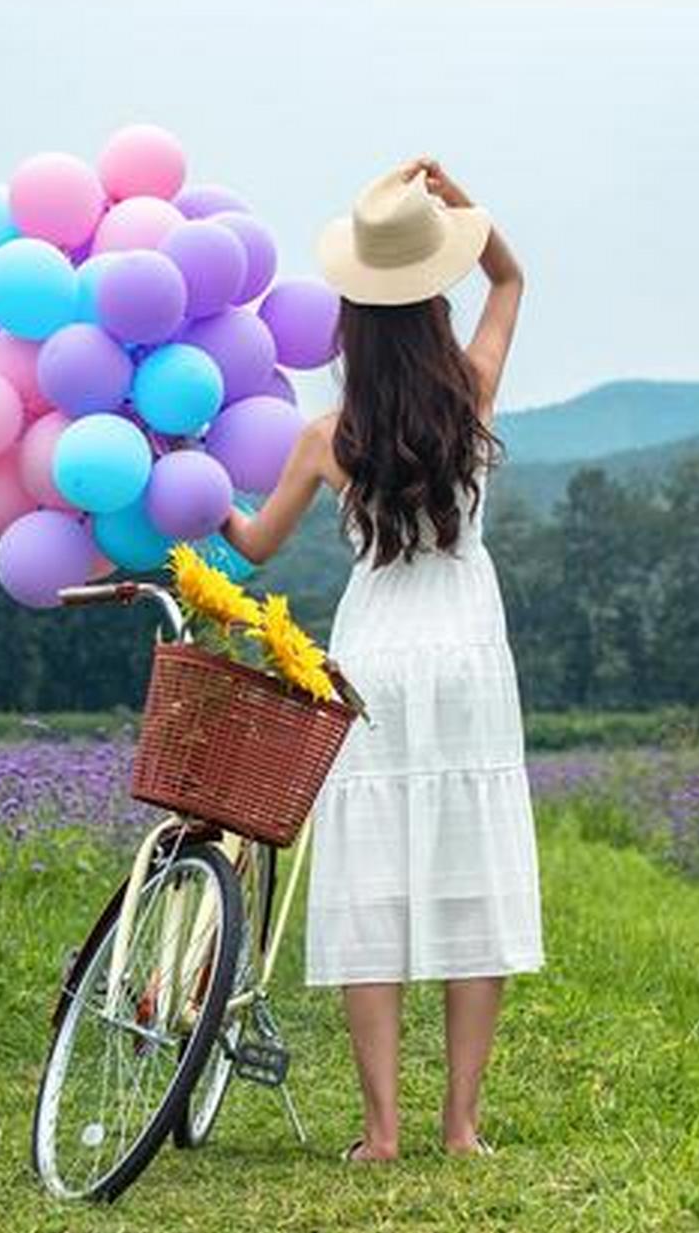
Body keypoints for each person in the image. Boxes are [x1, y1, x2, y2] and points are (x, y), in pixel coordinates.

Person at [220, 157, 541, 1162]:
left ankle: (379, 1131)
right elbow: (509, 279)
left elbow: (252, 541)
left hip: (373, 652)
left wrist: (188, 477)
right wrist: (453, 202)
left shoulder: (328, 436)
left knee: (372, 876)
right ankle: (460, 1124)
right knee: (465, 868)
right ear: (428, 305)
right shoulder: (473, 395)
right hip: (465, 647)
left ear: (349, 322)